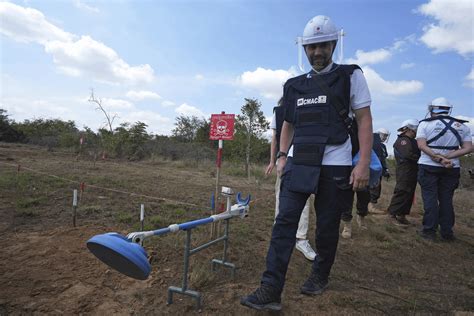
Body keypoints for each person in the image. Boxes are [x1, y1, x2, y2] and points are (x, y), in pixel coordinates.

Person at [241, 15, 372, 311]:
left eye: (323, 45)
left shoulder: (351, 76)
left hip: (336, 164)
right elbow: (288, 123)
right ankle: (270, 289)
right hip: (299, 163)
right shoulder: (293, 85)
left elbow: (364, 120)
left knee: (326, 227)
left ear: (334, 44)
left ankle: (320, 274)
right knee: (283, 225)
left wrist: (362, 163)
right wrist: (282, 155)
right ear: (304, 49)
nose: (317, 52)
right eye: (311, 47)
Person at [266, 100, 317, 261]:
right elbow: (276, 137)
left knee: (304, 199)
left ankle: (300, 238)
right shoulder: (279, 111)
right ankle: (280, 233)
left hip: (304, 160)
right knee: (280, 196)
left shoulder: (310, 106)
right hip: (285, 159)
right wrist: (273, 161)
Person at [416, 97, 472, 241]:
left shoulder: (424, 125)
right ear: (448, 109)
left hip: (429, 165)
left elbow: (422, 145)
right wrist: (449, 156)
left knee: (430, 199)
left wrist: (439, 158)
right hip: (452, 167)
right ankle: (447, 233)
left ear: (432, 109)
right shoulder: (463, 126)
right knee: (446, 200)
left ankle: (429, 232)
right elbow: (468, 148)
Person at [387, 119, 421, 226]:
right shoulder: (403, 140)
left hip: (413, 169)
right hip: (405, 169)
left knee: (409, 192)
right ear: (408, 129)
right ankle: (392, 214)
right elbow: (407, 155)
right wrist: (421, 158)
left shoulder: (414, 141)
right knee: (402, 190)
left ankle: (402, 215)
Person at [367, 128, 390, 214]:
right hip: (372, 169)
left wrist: (385, 170)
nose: (385, 138)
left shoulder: (382, 146)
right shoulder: (372, 143)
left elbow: (383, 159)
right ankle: (369, 207)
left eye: (386, 136)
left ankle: (370, 206)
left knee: (376, 188)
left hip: (378, 170)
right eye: (384, 135)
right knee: (372, 188)